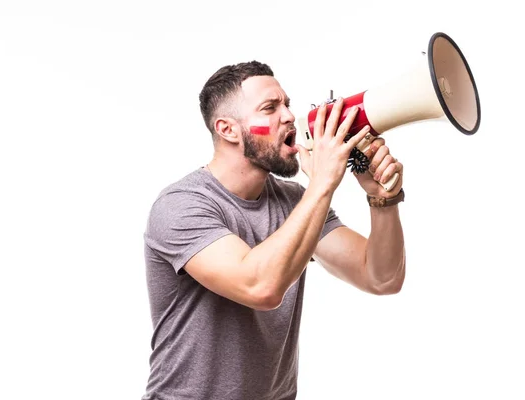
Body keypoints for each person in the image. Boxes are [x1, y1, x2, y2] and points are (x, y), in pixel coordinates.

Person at [142, 61, 406, 400]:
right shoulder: (181, 205)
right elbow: (260, 286)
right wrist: (323, 183)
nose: (289, 117)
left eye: (287, 104)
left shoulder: (296, 201)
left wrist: (381, 199)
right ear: (228, 130)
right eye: (270, 108)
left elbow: (380, 277)